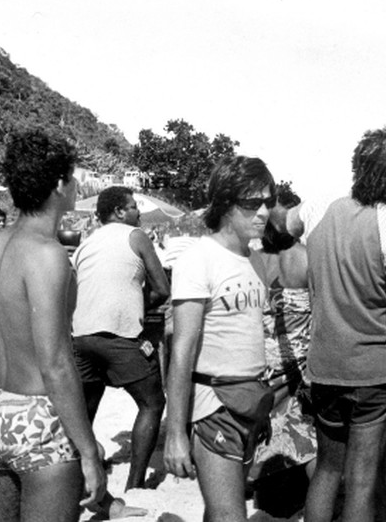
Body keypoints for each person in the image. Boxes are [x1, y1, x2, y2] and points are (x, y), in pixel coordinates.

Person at [271, 123, 386, 522]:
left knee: (327, 470)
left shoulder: (320, 206)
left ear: (358, 167)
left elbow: (280, 225)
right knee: (361, 481)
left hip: (324, 367)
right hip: (372, 373)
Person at [0, 131, 106, 521]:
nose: (75, 185)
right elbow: (56, 364)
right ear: (60, 184)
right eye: (73, 177)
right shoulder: (47, 255)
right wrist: (90, 451)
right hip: (40, 415)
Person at [163, 156, 276, 522]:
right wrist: (176, 432)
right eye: (252, 203)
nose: (263, 212)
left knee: (220, 511)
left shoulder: (256, 261)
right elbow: (181, 352)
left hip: (252, 402)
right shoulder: (198, 259)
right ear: (226, 203)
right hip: (215, 407)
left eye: (268, 202)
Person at [71, 186, 171, 490]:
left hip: (81, 336)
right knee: (153, 403)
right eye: (132, 207)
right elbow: (163, 288)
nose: (137, 213)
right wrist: (138, 305)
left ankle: (77, 481)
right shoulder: (136, 236)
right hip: (118, 334)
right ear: (118, 212)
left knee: (85, 410)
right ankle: (135, 483)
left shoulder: (84, 244)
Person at [247, 185, 319, 514]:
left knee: (270, 434)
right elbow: (320, 318)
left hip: (263, 364)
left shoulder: (255, 259)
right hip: (300, 365)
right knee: (311, 441)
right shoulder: (307, 258)